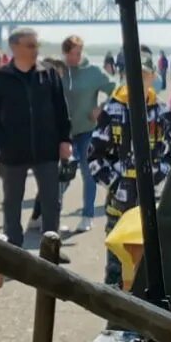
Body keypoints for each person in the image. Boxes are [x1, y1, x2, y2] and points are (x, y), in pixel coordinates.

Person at [87, 56, 171, 287]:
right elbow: (95, 154)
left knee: (154, 257)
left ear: (153, 78)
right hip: (120, 198)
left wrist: (159, 174)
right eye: (134, 75)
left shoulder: (163, 112)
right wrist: (115, 182)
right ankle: (114, 310)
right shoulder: (112, 109)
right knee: (118, 259)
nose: (139, 80)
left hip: (154, 196)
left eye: (145, 75)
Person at [0, 26, 71, 246]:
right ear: (15, 47)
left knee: (52, 202)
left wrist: (65, 140)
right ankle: (13, 247)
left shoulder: (49, 73)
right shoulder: (0, 77)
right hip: (13, 153)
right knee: (12, 202)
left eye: (37, 45)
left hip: (47, 149)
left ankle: (51, 247)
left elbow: (61, 108)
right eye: (31, 45)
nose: (35, 50)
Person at [57, 34, 111, 233]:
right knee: (63, 175)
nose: (75, 58)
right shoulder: (59, 71)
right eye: (70, 54)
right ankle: (51, 215)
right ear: (64, 53)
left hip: (87, 130)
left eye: (78, 53)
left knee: (88, 174)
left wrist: (102, 108)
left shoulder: (94, 72)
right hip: (64, 133)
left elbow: (117, 90)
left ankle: (87, 215)